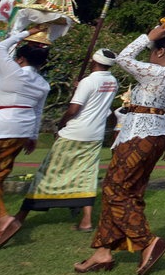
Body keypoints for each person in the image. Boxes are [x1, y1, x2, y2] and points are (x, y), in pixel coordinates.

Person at [74, 25, 165, 274]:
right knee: (130, 191)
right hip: (156, 136)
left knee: (115, 189)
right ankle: (102, 252)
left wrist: (147, 38)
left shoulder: (156, 72)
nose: (149, 53)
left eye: (152, 50)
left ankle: (147, 242)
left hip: (139, 134)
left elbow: (121, 59)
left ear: (160, 52)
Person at [16, 48, 119, 232]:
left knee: (47, 171)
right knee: (86, 175)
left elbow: (73, 109)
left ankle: (20, 216)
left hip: (75, 132)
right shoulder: (113, 82)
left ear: (93, 62)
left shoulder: (88, 81)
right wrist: (78, 88)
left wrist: (61, 125)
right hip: (95, 134)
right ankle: (86, 220)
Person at [0, 26, 50, 250]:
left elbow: (0, 46)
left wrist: (27, 31)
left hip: (0, 128)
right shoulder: (43, 83)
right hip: (22, 130)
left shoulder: (14, 71)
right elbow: (39, 111)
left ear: (21, 58)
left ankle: (3, 219)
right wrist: (32, 136)